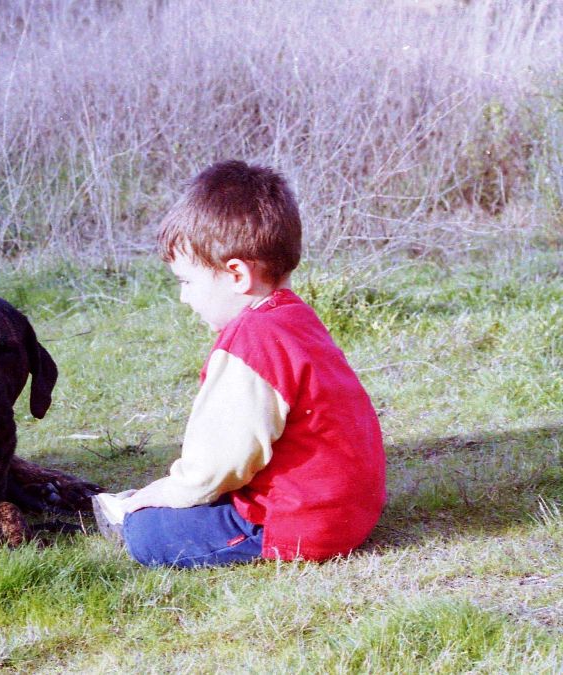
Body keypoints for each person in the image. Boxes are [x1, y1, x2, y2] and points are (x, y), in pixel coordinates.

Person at [104, 160, 385, 567]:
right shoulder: (296, 318)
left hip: (301, 524)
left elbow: (215, 466)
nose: (184, 298)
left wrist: (151, 497)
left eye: (186, 282)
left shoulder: (251, 340)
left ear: (236, 274)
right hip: (350, 510)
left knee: (147, 531)